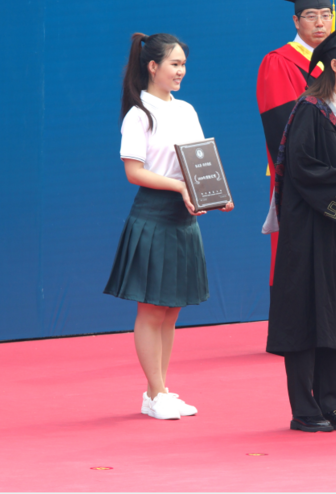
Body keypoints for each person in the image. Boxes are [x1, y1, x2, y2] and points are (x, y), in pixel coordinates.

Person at [105, 33, 234, 420]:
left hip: (184, 216)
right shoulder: (138, 114)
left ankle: (156, 391)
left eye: (183, 65)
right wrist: (180, 187)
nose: (181, 71)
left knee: (172, 310)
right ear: (152, 66)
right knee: (151, 309)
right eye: (174, 64)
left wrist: (215, 194)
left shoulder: (187, 110)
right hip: (153, 215)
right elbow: (134, 172)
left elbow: (200, 163)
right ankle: (157, 392)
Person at [265, 19, 336, 432]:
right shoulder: (309, 110)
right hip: (304, 230)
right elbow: (304, 170)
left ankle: (332, 403)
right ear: (334, 66)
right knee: (303, 317)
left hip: (331, 230)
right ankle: (304, 410)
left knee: (331, 315)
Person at [257, 0, 336, 355]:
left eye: (325, 14)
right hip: (302, 175)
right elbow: (281, 125)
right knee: (297, 251)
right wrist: (316, 163)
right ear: (296, 20)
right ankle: (293, 329)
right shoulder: (278, 62)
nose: (320, 22)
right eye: (310, 15)